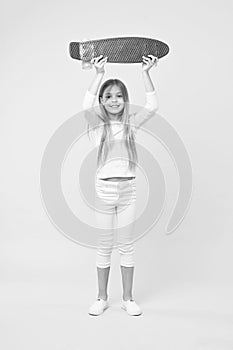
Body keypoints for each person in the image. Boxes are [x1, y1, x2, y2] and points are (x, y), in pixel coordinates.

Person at [82, 54, 159, 316]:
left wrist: (145, 72)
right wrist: (98, 75)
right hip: (104, 191)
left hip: (128, 191)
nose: (114, 100)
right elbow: (85, 104)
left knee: (126, 246)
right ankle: (101, 297)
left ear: (125, 99)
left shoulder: (130, 124)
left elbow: (152, 105)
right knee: (104, 246)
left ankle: (127, 298)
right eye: (108, 96)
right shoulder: (96, 126)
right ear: (102, 102)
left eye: (119, 95)